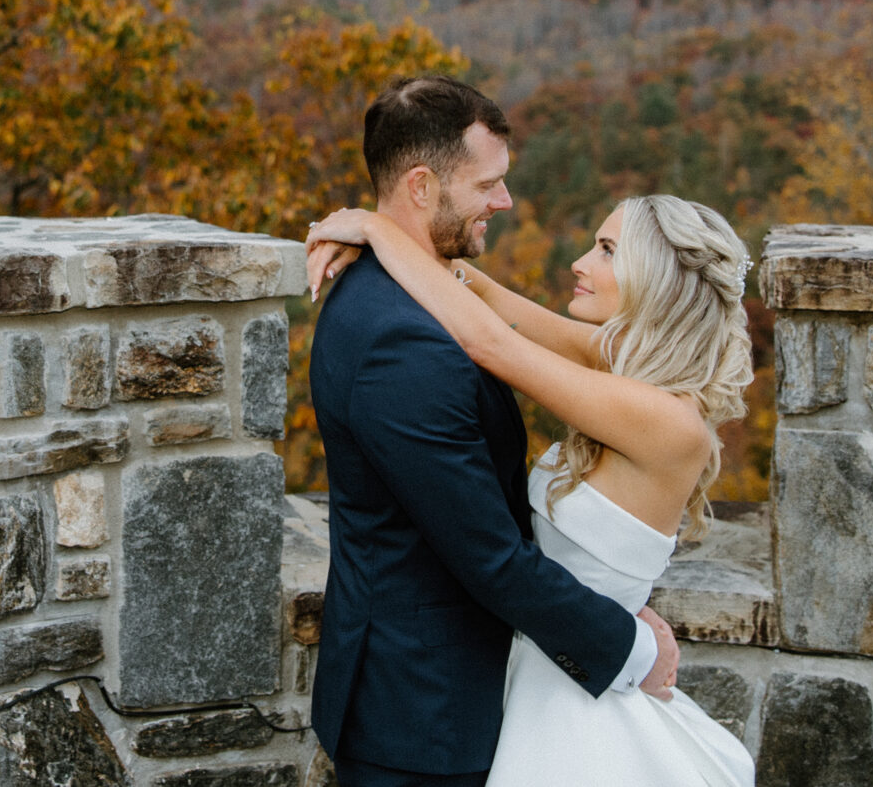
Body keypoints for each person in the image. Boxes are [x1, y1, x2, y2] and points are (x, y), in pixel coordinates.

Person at [306, 83, 757, 787]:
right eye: (489, 182)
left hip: (538, 696)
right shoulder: (404, 339)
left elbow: (496, 341)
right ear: (423, 186)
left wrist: (377, 226)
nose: (508, 200)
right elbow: (486, 302)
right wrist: (373, 223)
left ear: (656, 285)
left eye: (606, 249)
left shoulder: (660, 411)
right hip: (434, 703)